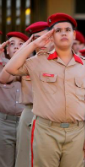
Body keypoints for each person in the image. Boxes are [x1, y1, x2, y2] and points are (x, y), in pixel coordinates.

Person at [5, 13, 85, 167]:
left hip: (75, 132)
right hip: (46, 131)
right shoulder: (38, 62)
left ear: (74, 35)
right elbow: (11, 68)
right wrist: (33, 44)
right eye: (58, 30)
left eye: (68, 30)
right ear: (51, 36)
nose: (63, 33)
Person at [15, 21, 53, 167]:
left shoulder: (60, 61)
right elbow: (5, 77)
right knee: (25, 157)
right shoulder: (25, 62)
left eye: (45, 37)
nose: (42, 42)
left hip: (50, 114)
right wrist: (27, 46)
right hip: (30, 111)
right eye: (37, 38)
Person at [0, 32, 28, 167]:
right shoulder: (1, 67)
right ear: (6, 49)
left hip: (26, 122)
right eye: (12, 44)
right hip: (4, 123)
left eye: (21, 44)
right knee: (5, 163)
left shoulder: (32, 67)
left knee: (24, 162)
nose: (16, 47)